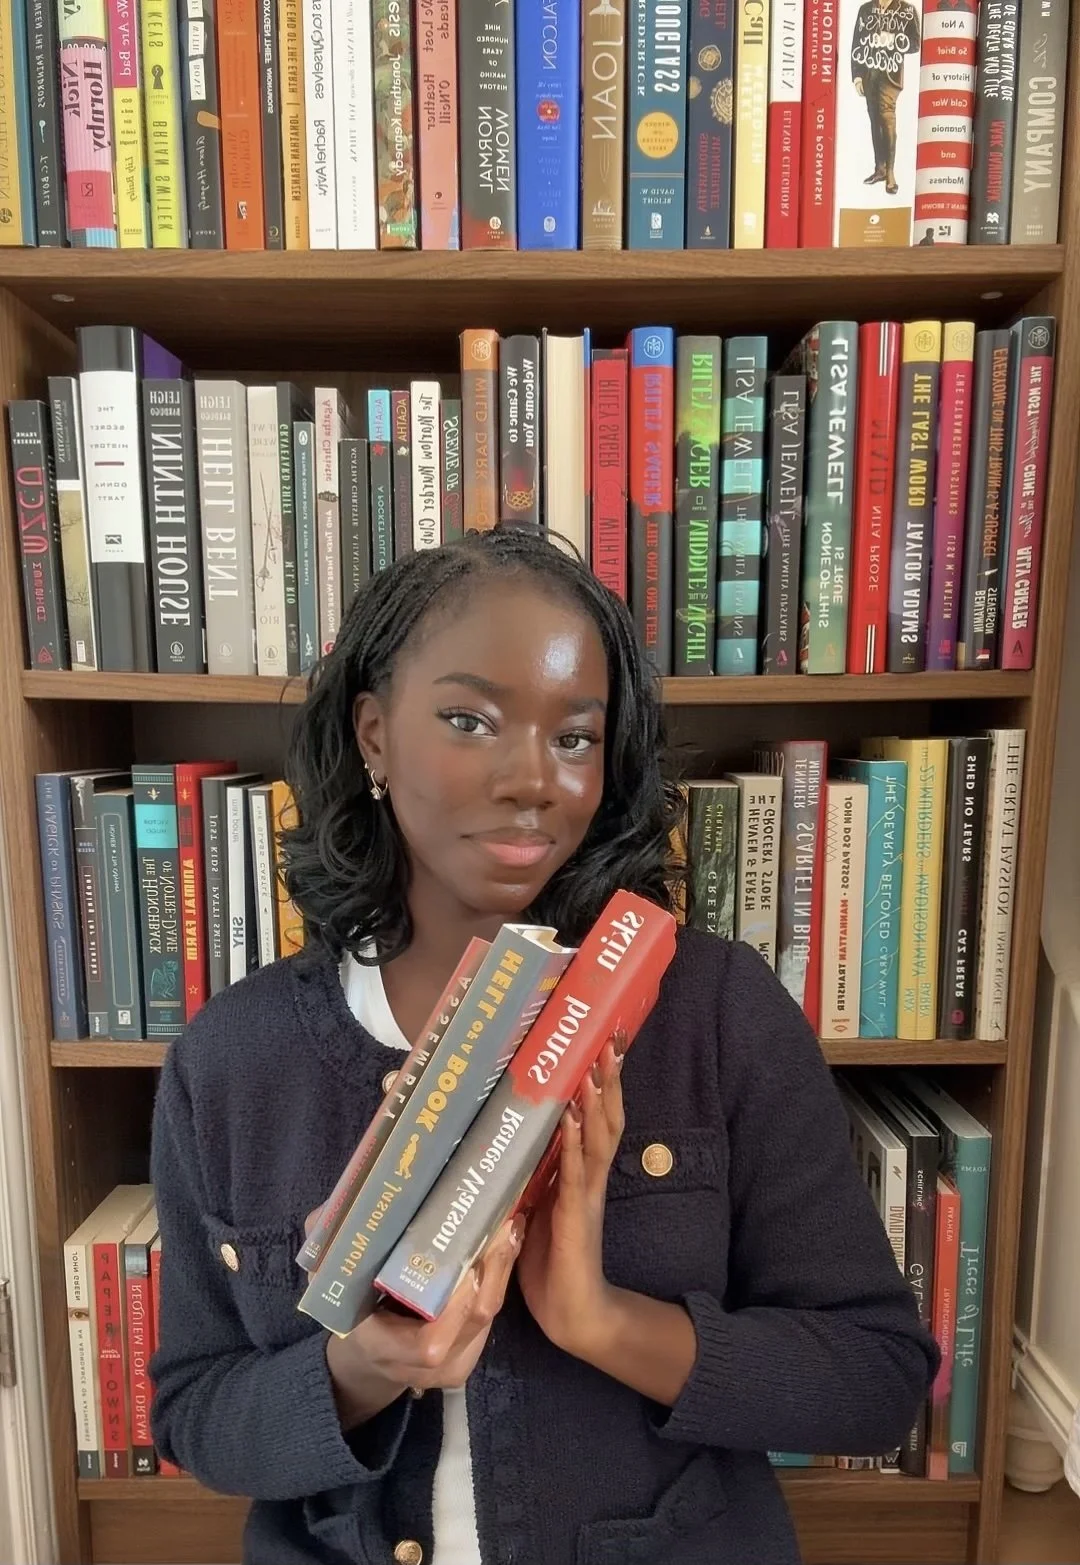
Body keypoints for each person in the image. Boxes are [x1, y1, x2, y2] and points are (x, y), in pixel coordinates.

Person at [149, 526, 937, 1565]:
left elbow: (876, 1378)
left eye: (575, 735)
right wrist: (365, 1365)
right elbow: (196, 1413)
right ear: (374, 734)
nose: (534, 778)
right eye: (470, 719)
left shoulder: (713, 1009)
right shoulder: (232, 1062)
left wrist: (601, 1319)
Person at [850, 0, 921, 196]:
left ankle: (890, 173)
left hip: (890, 75)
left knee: (887, 119)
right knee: (874, 120)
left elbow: (916, 43)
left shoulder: (907, 10)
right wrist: (857, 76)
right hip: (868, 75)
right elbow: (857, 41)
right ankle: (879, 168)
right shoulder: (865, 9)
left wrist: (893, 38)